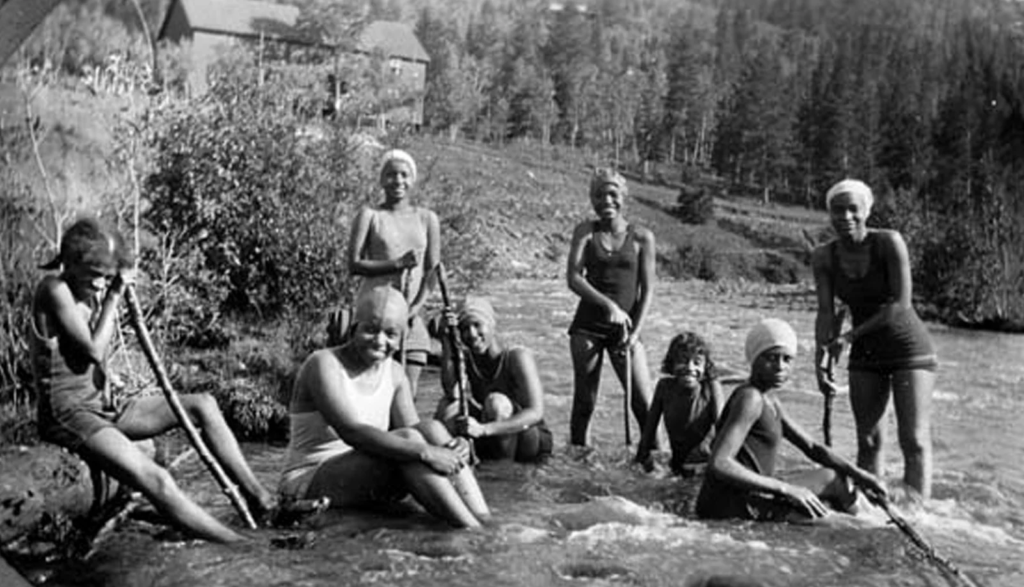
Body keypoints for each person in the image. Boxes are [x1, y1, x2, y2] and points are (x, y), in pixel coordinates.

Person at [30, 218, 273, 544]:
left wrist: (111, 288)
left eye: (107, 276)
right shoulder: (54, 289)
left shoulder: (90, 290)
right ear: (70, 264)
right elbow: (91, 350)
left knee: (204, 404)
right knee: (156, 478)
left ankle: (261, 500)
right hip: (70, 414)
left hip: (105, 406)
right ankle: (242, 546)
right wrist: (115, 296)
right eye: (95, 276)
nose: (101, 285)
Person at [279, 285, 490, 528]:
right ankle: (472, 530)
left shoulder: (396, 373)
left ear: (401, 338)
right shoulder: (323, 364)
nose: (380, 341)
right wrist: (427, 452)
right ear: (354, 326)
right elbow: (351, 432)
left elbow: (420, 433)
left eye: (390, 334)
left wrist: (456, 447)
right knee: (412, 441)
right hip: (309, 480)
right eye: (370, 330)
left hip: (362, 472)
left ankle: (483, 518)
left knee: (432, 429)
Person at [812, 179, 937, 499]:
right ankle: (873, 507)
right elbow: (826, 313)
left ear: (867, 211)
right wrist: (820, 361)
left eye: (853, 209)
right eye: (838, 210)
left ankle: (917, 513)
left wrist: (850, 336)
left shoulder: (888, 242)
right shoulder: (824, 256)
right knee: (868, 440)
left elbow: (901, 303)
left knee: (913, 439)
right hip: (866, 352)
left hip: (908, 347)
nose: (846, 217)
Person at [695, 319, 886, 521]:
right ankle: (868, 524)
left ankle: (875, 519)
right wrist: (786, 489)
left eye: (787, 359)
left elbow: (813, 447)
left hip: (756, 492)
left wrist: (860, 475)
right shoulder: (750, 398)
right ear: (754, 358)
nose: (779, 366)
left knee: (835, 478)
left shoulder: (770, 399)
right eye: (770, 358)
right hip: (730, 504)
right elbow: (720, 462)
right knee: (832, 524)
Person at [566, 168, 656, 451]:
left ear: (623, 197)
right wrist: (609, 305)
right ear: (592, 199)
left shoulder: (642, 237)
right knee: (585, 402)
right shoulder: (585, 231)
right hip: (588, 327)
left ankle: (656, 457)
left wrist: (635, 333)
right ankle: (579, 458)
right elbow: (574, 277)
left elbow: (647, 290)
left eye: (612, 194)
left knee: (643, 402)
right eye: (599, 194)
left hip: (627, 330)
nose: (606, 200)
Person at [348, 149, 440, 398]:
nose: (398, 181)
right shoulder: (370, 216)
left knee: (406, 394)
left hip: (409, 319)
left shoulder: (427, 219)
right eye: (390, 175)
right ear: (381, 180)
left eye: (403, 175)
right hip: (374, 315)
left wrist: (414, 308)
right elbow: (354, 264)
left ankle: (405, 435)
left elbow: (433, 272)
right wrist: (396, 264)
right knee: (368, 388)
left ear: (412, 180)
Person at [434, 296, 553, 463]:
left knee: (496, 402)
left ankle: (503, 474)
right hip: (494, 433)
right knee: (447, 405)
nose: (472, 334)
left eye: (477, 325)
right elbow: (452, 393)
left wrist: (483, 429)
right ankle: (454, 462)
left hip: (528, 438)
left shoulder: (517, 357)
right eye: (464, 328)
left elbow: (535, 412)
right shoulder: (467, 358)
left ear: (492, 326)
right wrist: (446, 341)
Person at [635, 332, 724, 475]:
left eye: (697, 362)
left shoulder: (711, 388)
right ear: (671, 364)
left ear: (705, 366)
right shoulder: (664, 387)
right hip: (677, 465)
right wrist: (640, 460)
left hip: (704, 465)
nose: (690, 368)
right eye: (683, 360)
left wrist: (719, 466)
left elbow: (723, 429)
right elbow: (649, 430)